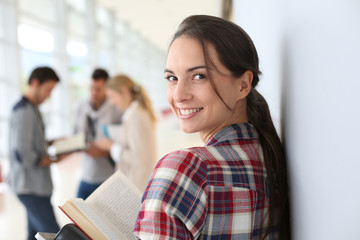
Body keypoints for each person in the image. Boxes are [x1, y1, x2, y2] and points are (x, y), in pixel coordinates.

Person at [134, 15, 291, 239]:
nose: (178, 95)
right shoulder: (270, 159)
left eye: (199, 76)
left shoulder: (186, 170)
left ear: (243, 85)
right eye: (172, 78)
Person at [8, 66, 69, 240]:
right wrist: (55, 160)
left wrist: (54, 142)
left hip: (35, 186)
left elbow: (32, 142)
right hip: (30, 188)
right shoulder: (23, 111)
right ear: (35, 83)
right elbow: (24, 154)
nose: (49, 95)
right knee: (55, 235)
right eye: (47, 89)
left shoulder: (32, 108)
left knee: (34, 235)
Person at [94, 74, 157, 192]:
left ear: (123, 91)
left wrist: (112, 147)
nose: (111, 102)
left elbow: (138, 157)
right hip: (138, 182)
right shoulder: (135, 113)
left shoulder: (135, 116)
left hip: (137, 184)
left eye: (112, 96)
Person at [74, 68, 122, 199]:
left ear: (107, 88)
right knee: (77, 217)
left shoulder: (116, 108)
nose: (94, 93)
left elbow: (122, 143)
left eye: (98, 89)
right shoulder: (82, 107)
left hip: (108, 177)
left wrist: (102, 151)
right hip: (86, 174)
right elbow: (76, 135)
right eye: (91, 88)